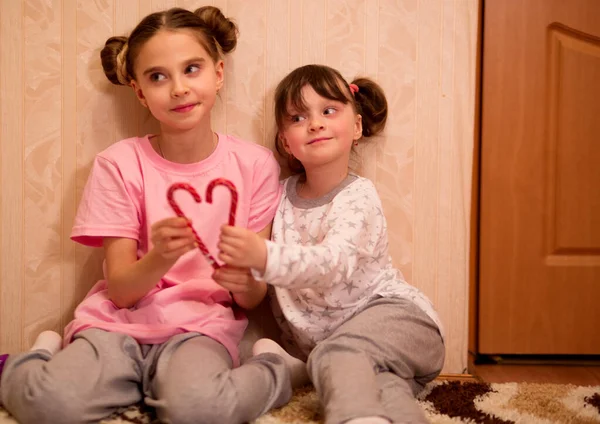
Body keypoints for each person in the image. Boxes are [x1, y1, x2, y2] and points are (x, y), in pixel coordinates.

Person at [0, 7, 292, 424]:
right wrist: (160, 258)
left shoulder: (255, 165)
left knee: (197, 409)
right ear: (139, 92)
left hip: (200, 328)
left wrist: (243, 282)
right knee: (51, 404)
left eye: (192, 69)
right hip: (115, 323)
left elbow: (253, 296)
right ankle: (39, 358)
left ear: (218, 73)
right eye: (158, 76)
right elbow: (120, 292)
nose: (178, 89)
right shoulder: (118, 164)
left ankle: (273, 367)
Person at [217, 64, 446, 424]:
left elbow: (332, 264)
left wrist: (262, 255)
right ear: (284, 140)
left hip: (400, 321)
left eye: (328, 111)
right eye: (297, 116)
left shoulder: (358, 196)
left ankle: (335, 398)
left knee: (337, 356)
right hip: (352, 354)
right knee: (379, 387)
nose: (315, 123)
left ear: (356, 127)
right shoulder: (278, 198)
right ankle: (310, 371)